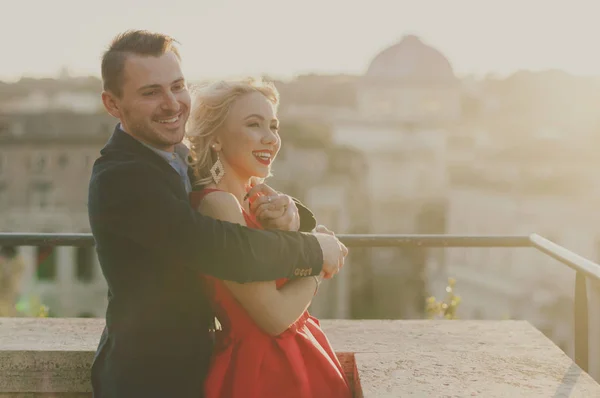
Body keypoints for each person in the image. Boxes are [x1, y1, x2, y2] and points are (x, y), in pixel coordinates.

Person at [88, 30, 348, 398]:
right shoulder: (123, 177)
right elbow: (225, 248)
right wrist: (317, 254)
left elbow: (234, 191)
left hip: (195, 365)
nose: (172, 103)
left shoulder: (175, 155)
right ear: (113, 104)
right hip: (149, 379)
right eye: (151, 92)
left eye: (178, 86)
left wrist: (293, 217)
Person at [187, 78, 352, 398]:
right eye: (254, 125)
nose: (270, 139)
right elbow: (273, 317)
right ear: (216, 138)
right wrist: (319, 260)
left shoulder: (250, 201)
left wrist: (289, 233)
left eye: (274, 126)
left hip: (292, 360)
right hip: (264, 373)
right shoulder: (218, 204)